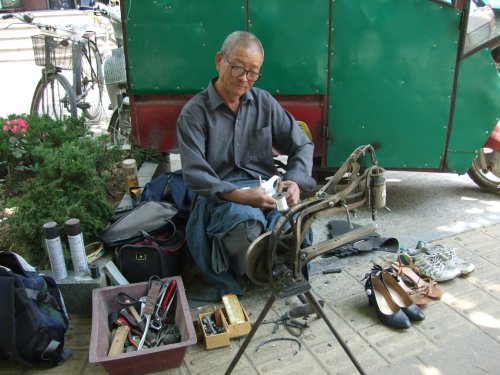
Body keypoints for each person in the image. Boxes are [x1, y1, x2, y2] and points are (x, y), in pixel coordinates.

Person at [176, 31, 316, 297]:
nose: (244, 78)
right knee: (247, 224)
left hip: (265, 188)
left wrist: (295, 180)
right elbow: (195, 175)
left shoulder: (263, 102)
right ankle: (252, 271)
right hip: (221, 196)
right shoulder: (194, 114)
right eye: (237, 67)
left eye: (253, 72)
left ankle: (273, 267)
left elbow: (302, 145)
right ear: (219, 60)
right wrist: (241, 196)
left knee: (294, 221)